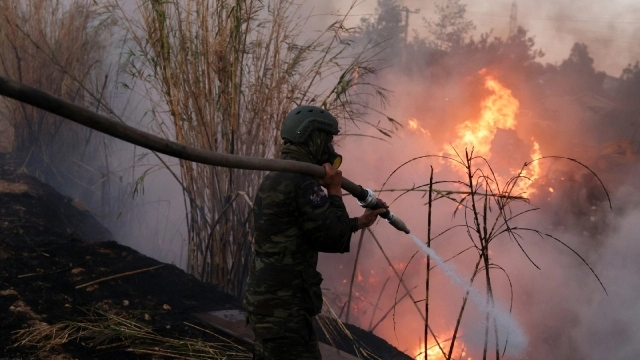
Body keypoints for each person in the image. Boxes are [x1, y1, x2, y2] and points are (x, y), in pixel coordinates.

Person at [243, 105, 387, 360]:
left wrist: (359, 223)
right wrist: (334, 190)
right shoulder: (301, 182)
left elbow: (310, 229)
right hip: (285, 309)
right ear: (312, 137)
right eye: (327, 140)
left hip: (268, 301)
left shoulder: (278, 176)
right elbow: (333, 237)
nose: (330, 149)